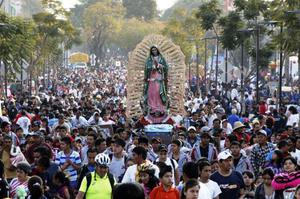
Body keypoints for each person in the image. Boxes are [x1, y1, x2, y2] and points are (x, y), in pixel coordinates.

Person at [143, 46, 169, 123]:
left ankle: (160, 107)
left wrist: (159, 66)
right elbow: (146, 68)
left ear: (158, 50)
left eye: (155, 49)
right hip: (151, 78)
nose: (154, 51)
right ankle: (151, 107)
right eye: (152, 50)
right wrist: (151, 67)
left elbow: (166, 67)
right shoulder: (149, 59)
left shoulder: (161, 58)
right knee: (151, 93)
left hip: (159, 78)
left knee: (158, 92)